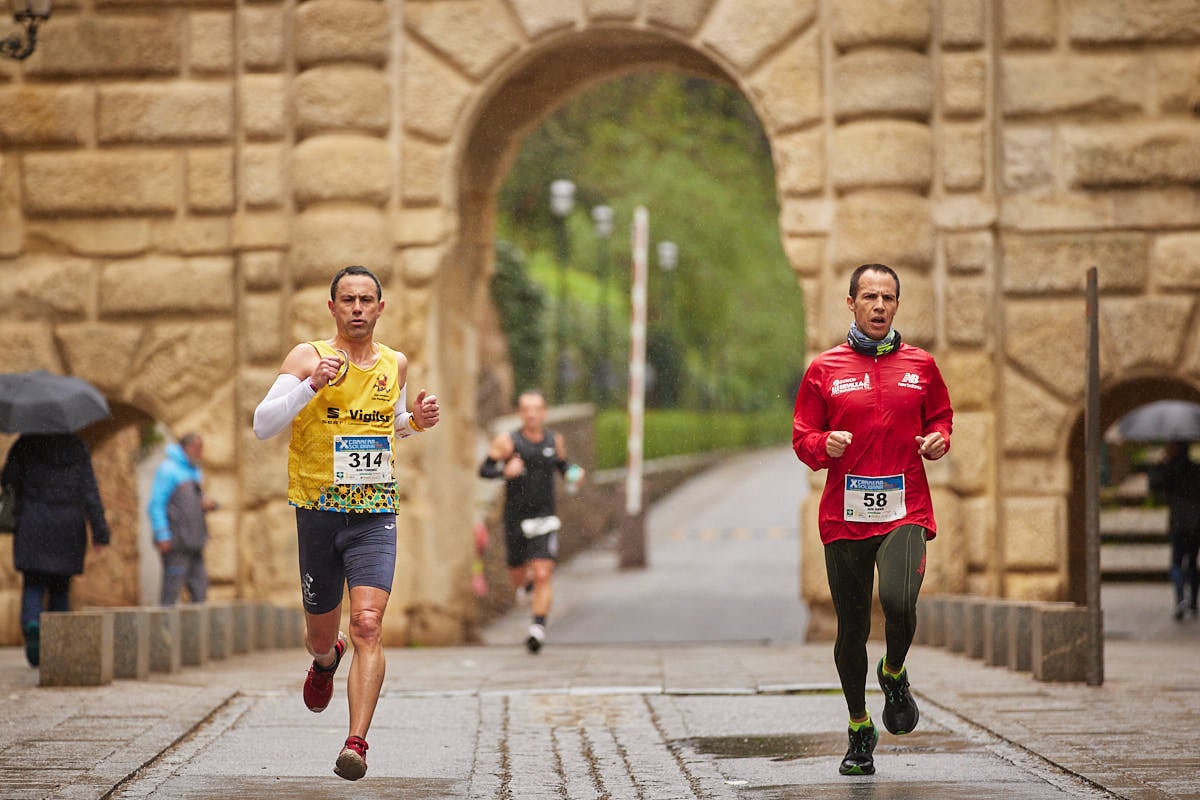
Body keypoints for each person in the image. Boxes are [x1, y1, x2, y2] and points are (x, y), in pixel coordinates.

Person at [252, 265, 440, 782]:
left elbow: (389, 425)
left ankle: (356, 742)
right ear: (332, 308)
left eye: (366, 300)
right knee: (321, 634)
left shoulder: (394, 364)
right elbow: (263, 424)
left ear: (381, 309)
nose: (357, 308)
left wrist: (413, 422)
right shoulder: (307, 357)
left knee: (368, 624)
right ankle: (325, 658)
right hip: (318, 511)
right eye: (348, 300)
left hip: (375, 513)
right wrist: (309, 386)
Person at [792, 263, 953, 777]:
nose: (879, 305)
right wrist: (824, 443)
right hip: (845, 516)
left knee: (901, 601)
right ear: (851, 303)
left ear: (897, 305)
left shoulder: (921, 366)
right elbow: (802, 436)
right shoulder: (824, 369)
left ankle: (894, 671)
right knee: (853, 629)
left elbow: (941, 418)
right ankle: (859, 725)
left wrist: (938, 440)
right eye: (869, 297)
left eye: (888, 297)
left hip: (907, 507)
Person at [478, 389, 583, 654]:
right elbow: (484, 469)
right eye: (526, 409)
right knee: (518, 574)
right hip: (516, 517)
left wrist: (574, 474)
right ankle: (524, 585)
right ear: (520, 413)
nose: (532, 414)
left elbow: (563, 467)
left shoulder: (553, 440)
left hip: (545, 517)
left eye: (537, 409)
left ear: (544, 412)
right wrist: (505, 470)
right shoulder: (507, 442)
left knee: (543, 572)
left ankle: (537, 628)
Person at [1, 432, 110, 667]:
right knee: (61, 587)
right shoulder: (77, 447)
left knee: (33, 583)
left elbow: (8, 478)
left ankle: (33, 624)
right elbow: (90, 491)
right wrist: (100, 532)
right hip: (68, 524)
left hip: (33, 520)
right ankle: (55, 647)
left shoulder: (25, 443)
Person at [147, 432, 217, 605]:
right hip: (176, 543)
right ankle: (163, 629)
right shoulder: (168, 469)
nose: (201, 453)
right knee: (171, 591)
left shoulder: (193, 471)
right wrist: (162, 535)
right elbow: (156, 504)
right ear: (187, 447)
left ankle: (197, 631)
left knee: (200, 591)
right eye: (198, 449)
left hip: (194, 542)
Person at [1148, 440, 1200, 620]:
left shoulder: (1169, 470)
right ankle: (1193, 603)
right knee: (1192, 562)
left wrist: (1159, 465)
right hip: (1195, 523)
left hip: (1178, 522)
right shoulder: (1196, 469)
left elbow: (1153, 486)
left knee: (1177, 563)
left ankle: (1180, 600)